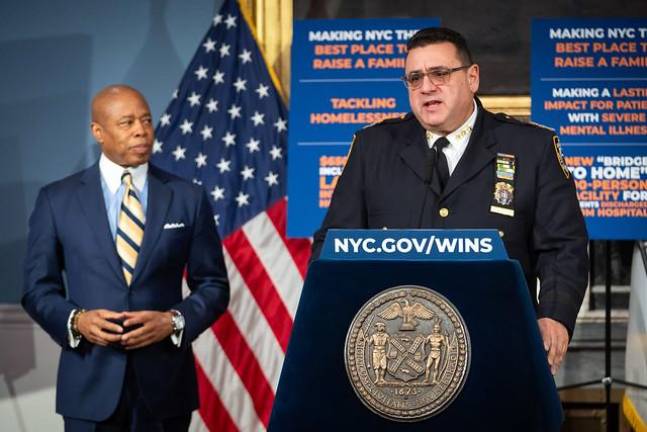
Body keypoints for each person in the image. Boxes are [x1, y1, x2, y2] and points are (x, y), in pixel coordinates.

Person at [312, 28, 589, 375]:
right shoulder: (373, 148)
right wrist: (331, 321)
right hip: (397, 358)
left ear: (472, 78)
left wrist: (554, 315)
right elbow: (332, 247)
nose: (426, 87)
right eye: (415, 78)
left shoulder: (531, 148)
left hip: (501, 346)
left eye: (440, 74)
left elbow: (563, 247)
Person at [22, 85, 230, 431]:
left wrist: (173, 321)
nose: (141, 131)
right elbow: (36, 289)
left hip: (165, 387)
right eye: (127, 122)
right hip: (88, 385)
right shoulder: (56, 200)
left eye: (146, 120)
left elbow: (213, 284)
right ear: (98, 132)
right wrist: (77, 321)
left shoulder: (187, 197)